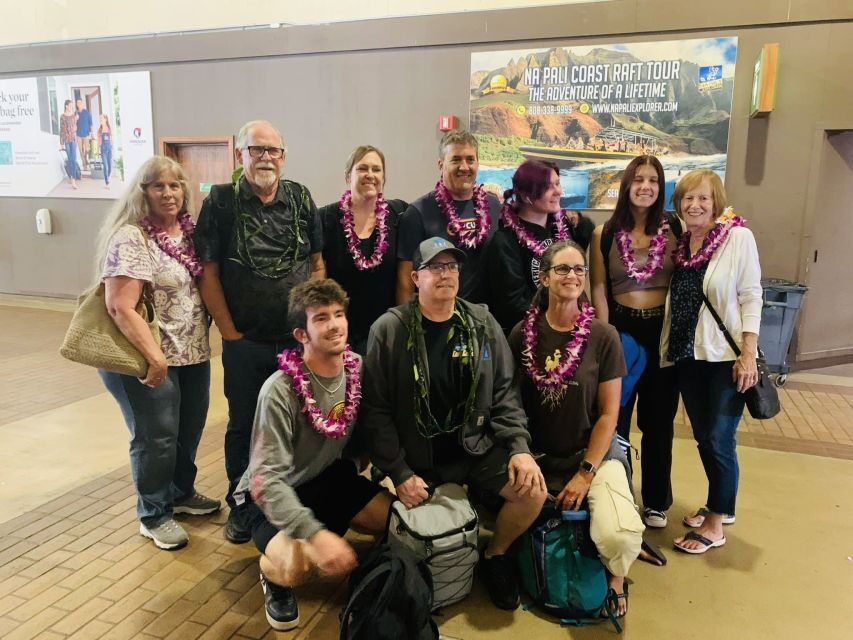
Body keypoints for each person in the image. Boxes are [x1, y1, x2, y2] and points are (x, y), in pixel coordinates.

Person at [363, 236, 547, 611]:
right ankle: (412, 560)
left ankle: (495, 556)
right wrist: (397, 471)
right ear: (416, 278)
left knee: (533, 492)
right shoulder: (390, 329)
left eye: (452, 267)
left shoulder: (481, 323)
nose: (445, 275)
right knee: (379, 522)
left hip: (473, 448)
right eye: (435, 267)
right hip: (415, 457)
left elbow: (504, 394)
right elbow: (376, 410)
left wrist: (520, 449)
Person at [231, 279, 392, 631]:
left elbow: (373, 428)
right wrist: (317, 535)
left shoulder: (356, 369)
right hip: (267, 494)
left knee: (396, 522)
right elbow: (264, 481)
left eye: (338, 314)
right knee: (297, 567)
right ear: (301, 334)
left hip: (324, 476)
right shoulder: (279, 390)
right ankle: (271, 575)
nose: (334, 325)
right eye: (320, 318)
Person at [194, 120, 325, 544]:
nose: (265, 157)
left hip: (295, 341)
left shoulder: (301, 198)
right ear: (240, 155)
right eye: (257, 150)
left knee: (297, 423)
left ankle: (289, 500)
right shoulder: (221, 202)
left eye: (273, 150)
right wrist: (229, 332)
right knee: (244, 423)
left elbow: (317, 264)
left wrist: (312, 325)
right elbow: (208, 272)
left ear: (284, 157)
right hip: (245, 341)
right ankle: (242, 505)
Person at [508, 240, 643, 617]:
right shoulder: (522, 333)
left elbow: (608, 415)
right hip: (540, 457)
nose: (572, 276)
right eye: (563, 269)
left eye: (579, 269)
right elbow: (511, 405)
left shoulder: (603, 337)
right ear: (545, 277)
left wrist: (586, 474)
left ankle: (616, 578)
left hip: (593, 456)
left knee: (618, 533)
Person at [95, 156, 219, 550]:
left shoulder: (189, 233)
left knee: (189, 428)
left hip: (192, 353)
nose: (168, 193)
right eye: (158, 186)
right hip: (146, 358)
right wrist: (155, 356)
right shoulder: (132, 238)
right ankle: (153, 513)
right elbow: (119, 306)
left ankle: (180, 494)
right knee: (156, 437)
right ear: (143, 192)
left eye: (175, 185)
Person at [660, 170, 761, 554]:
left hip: (725, 358)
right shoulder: (684, 245)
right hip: (689, 355)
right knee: (705, 437)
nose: (694, 205)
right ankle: (719, 502)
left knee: (719, 437)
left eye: (703, 198)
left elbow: (752, 295)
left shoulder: (737, 238)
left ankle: (717, 522)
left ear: (716, 202)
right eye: (687, 198)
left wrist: (748, 353)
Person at [589, 154, 681, 530]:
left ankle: (657, 500)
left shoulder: (674, 228)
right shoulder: (604, 233)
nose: (645, 186)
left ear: (660, 188)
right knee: (617, 417)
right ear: (626, 185)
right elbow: (598, 286)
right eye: (638, 179)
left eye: (653, 181)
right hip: (622, 331)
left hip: (663, 332)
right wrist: (605, 339)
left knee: (659, 420)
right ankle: (620, 493)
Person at [318, 145, 407, 355]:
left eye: (376, 170)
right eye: (362, 169)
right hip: (340, 333)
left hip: (386, 331)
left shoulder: (399, 214)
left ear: (383, 177)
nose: (370, 175)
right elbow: (317, 273)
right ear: (349, 176)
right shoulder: (326, 218)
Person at [396, 129, 500, 304]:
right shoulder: (418, 212)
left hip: (488, 319)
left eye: (470, 160)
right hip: (438, 316)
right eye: (456, 159)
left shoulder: (494, 206)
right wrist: (408, 326)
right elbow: (405, 280)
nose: (464, 167)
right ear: (440, 164)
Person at [484, 159, 570, 333]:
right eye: (548, 187)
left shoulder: (561, 230)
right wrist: (555, 322)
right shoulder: (504, 242)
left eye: (558, 184)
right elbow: (513, 306)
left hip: (564, 330)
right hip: (526, 337)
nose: (558, 192)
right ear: (526, 196)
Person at [59, 100, 80, 189]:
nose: (72, 107)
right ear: (66, 106)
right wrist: (61, 143)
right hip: (67, 140)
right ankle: (72, 177)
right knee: (70, 159)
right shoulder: (62, 117)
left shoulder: (74, 116)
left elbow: (75, 126)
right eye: (70, 105)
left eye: (72, 105)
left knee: (74, 159)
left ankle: (73, 178)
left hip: (74, 140)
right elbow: (62, 130)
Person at [75, 98, 93, 173]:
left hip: (86, 134)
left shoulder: (87, 113)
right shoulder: (75, 113)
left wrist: (92, 134)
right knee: (80, 151)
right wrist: (75, 119)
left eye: (80, 102)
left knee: (87, 149)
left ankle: (86, 160)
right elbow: (73, 124)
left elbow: (91, 124)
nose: (78, 104)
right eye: (77, 103)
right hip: (78, 135)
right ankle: (84, 165)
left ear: (82, 103)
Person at [98, 114, 113, 189]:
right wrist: (98, 150)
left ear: (105, 119)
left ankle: (107, 178)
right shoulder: (100, 130)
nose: (100, 120)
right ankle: (107, 182)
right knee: (105, 167)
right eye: (100, 118)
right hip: (103, 149)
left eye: (101, 118)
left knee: (110, 167)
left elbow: (111, 139)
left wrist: (111, 148)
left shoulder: (109, 128)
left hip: (109, 148)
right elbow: (99, 141)